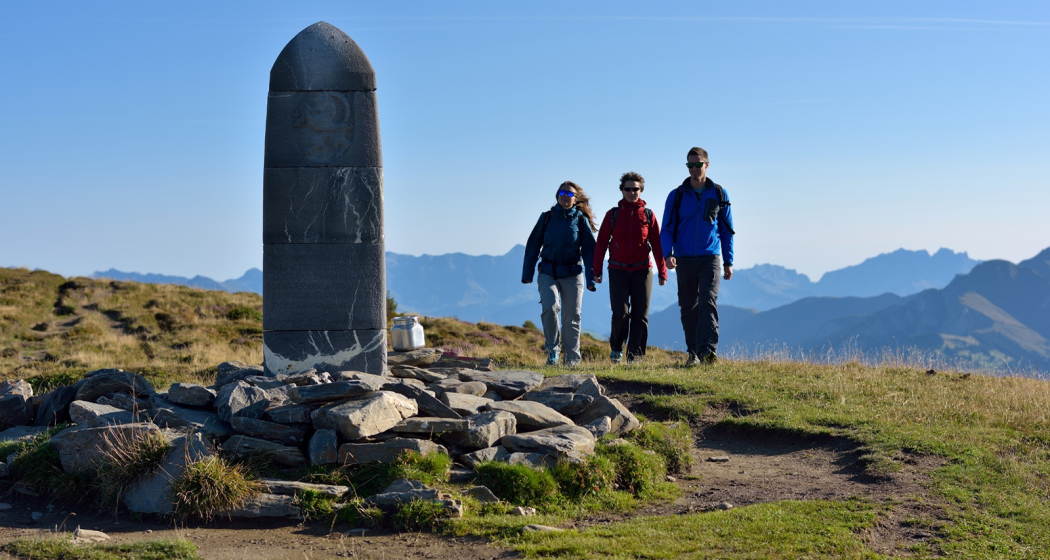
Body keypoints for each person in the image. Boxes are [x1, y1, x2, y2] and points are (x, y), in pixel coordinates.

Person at [659, 147, 735, 365]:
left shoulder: (719, 193)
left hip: (710, 257)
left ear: (706, 165)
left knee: (707, 301)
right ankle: (693, 352)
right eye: (690, 165)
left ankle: (708, 352)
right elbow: (667, 228)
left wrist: (729, 261)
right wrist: (667, 255)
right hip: (683, 259)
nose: (694, 169)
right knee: (688, 305)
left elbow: (726, 229)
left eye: (698, 164)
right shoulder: (676, 195)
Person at [593, 172, 667, 364]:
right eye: (628, 189)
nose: (632, 192)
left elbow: (657, 245)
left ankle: (635, 356)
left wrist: (663, 270)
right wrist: (597, 269)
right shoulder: (613, 214)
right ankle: (617, 349)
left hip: (643, 270)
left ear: (641, 190)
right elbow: (601, 243)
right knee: (621, 313)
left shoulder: (649, 215)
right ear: (622, 190)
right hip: (618, 270)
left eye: (635, 189)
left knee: (640, 315)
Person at [522, 181, 598, 367]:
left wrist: (591, 278)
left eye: (570, 193)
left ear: (575, 198)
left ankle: (572, 359)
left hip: (573, 273)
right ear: (557, 195)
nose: (565, 195)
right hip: (548, 271)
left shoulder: (580, 219)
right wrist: (527, 273)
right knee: (550, 308)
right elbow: (533, 245)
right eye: (562, 192)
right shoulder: (546, 218)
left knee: (572, 315)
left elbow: (590, 250)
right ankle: (553, 351)